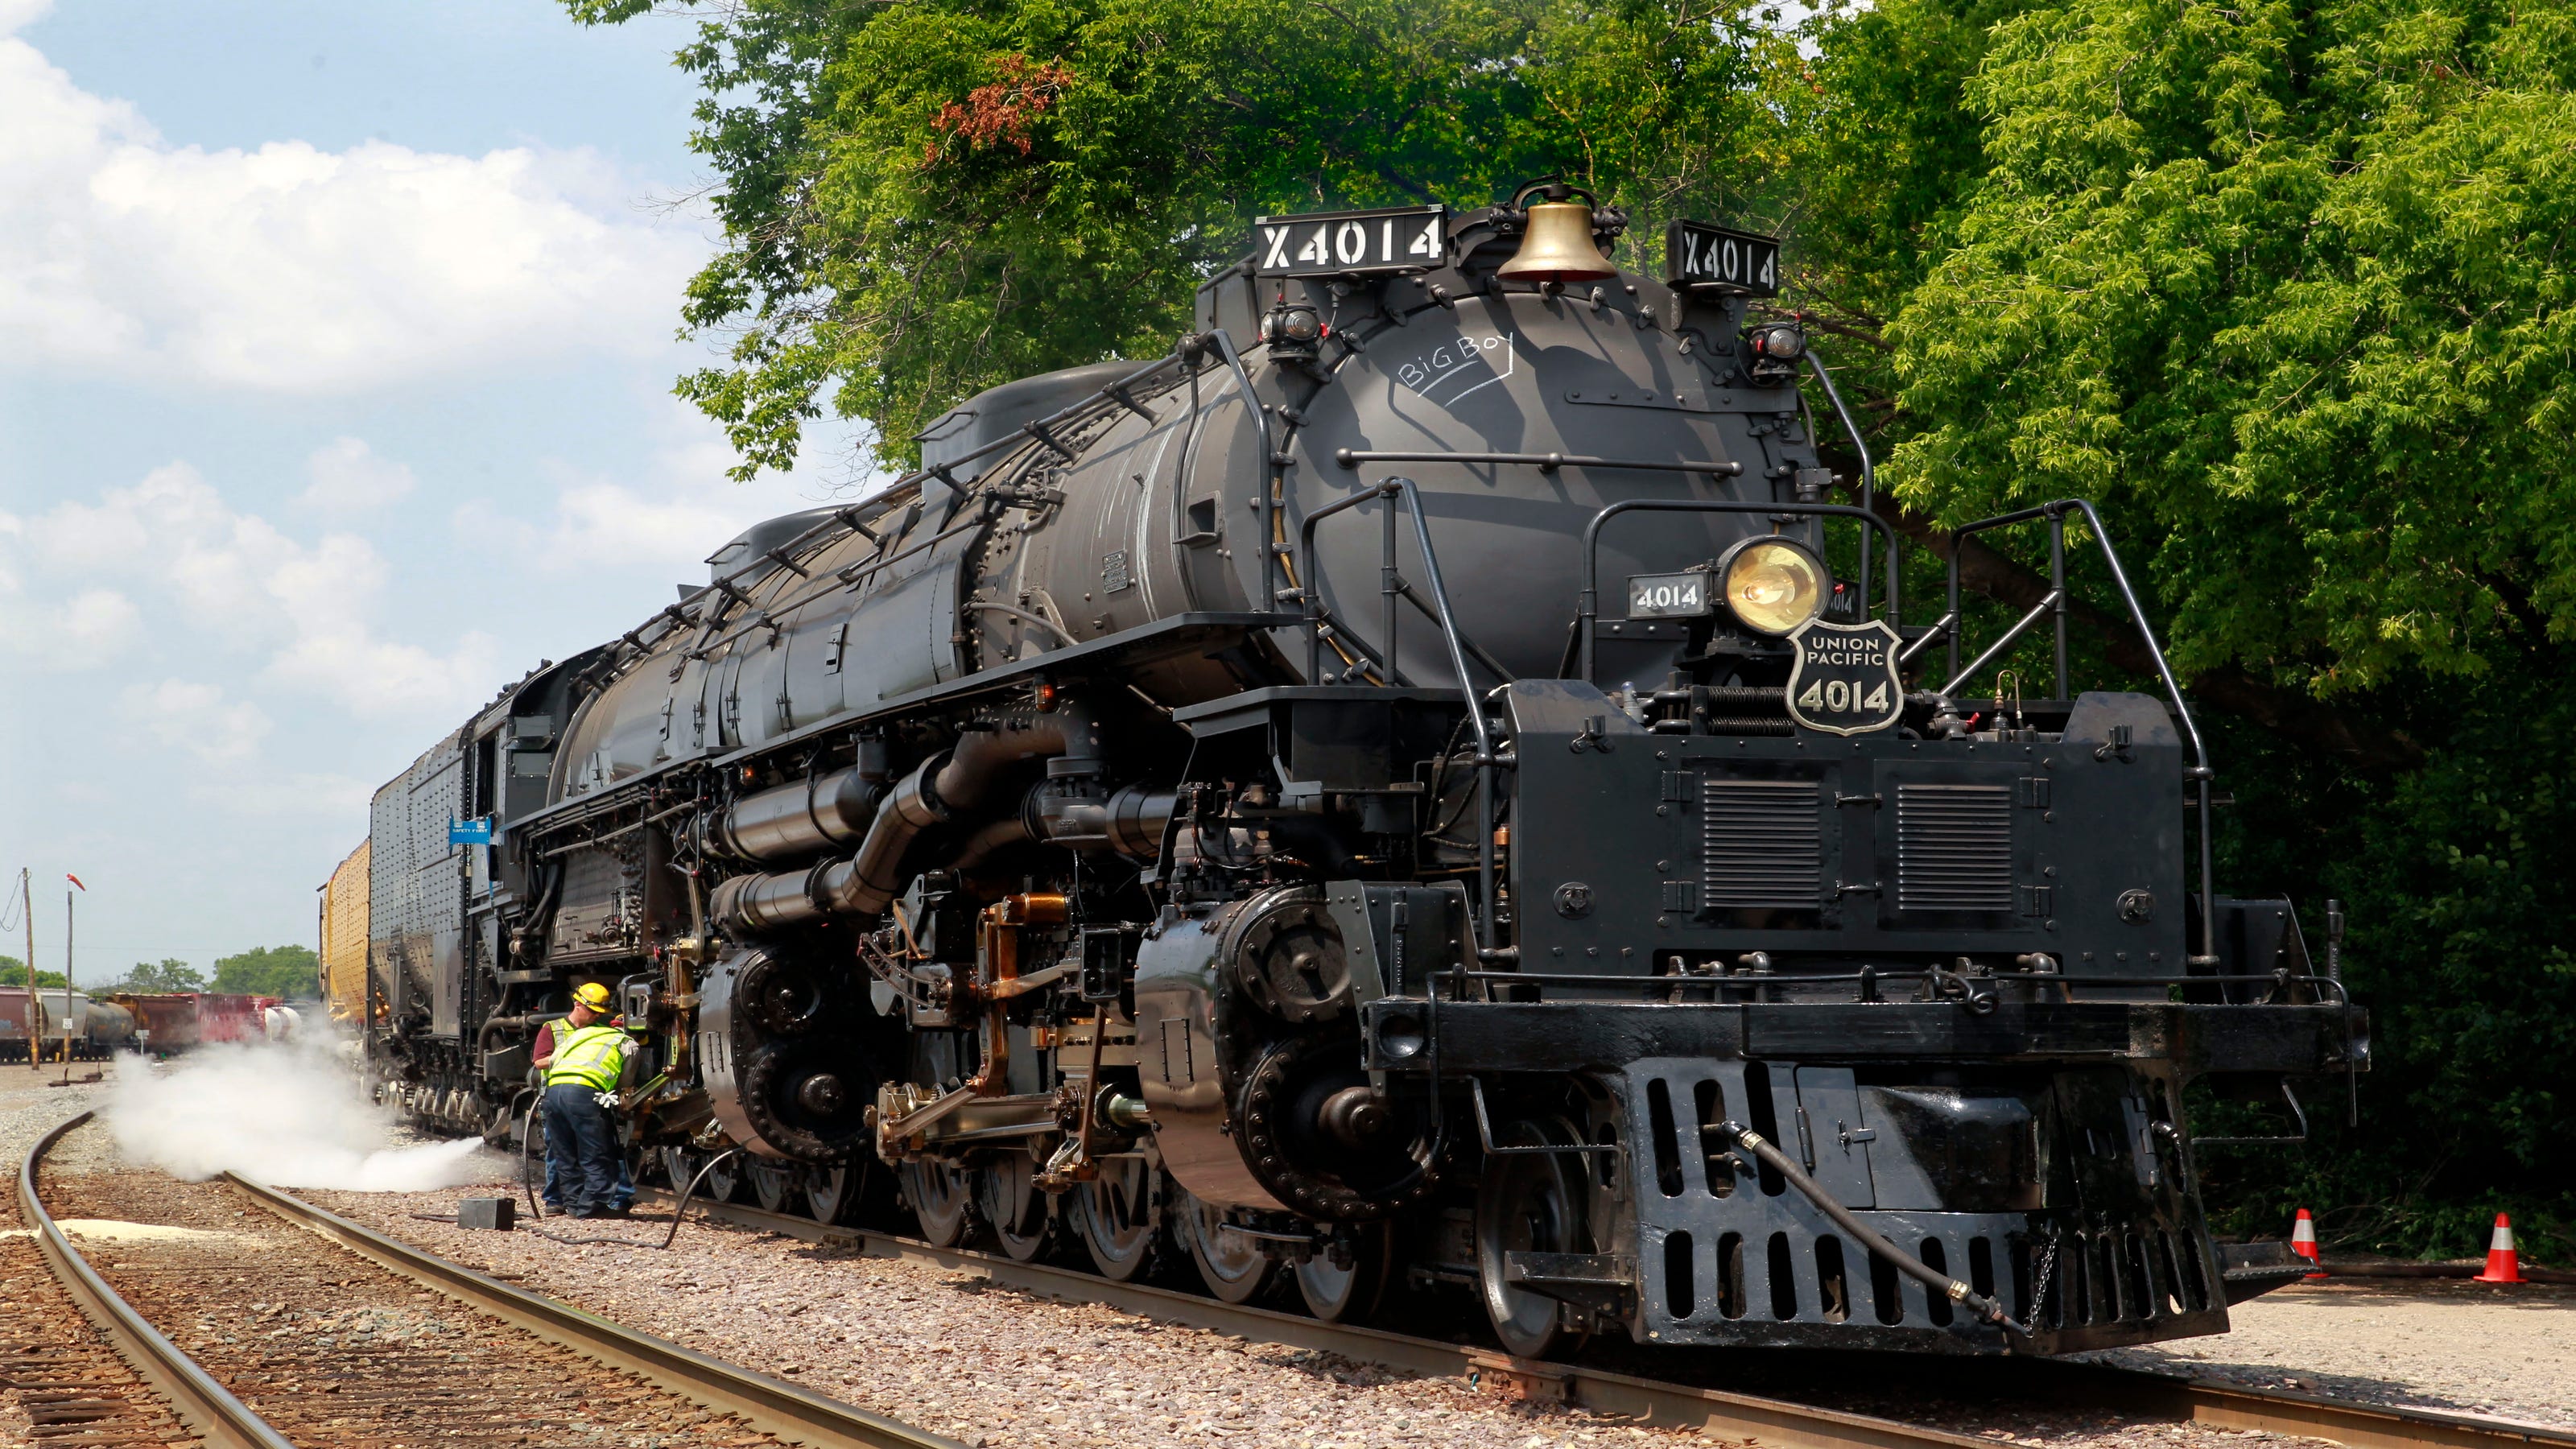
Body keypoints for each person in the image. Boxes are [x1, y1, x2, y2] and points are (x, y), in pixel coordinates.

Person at [535, 981, 635, 1219]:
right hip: (579, 1093)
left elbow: (560, 1057)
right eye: (592, 1011)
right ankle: (587, 1207)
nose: (595, 1017)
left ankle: (574, 1206)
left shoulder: (587, 1033)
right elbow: (540, 1061)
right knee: (595, 1152)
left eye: (599, 1014)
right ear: (577, 1004)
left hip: (555, 1093)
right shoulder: (616, 1038)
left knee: (565, 1154)